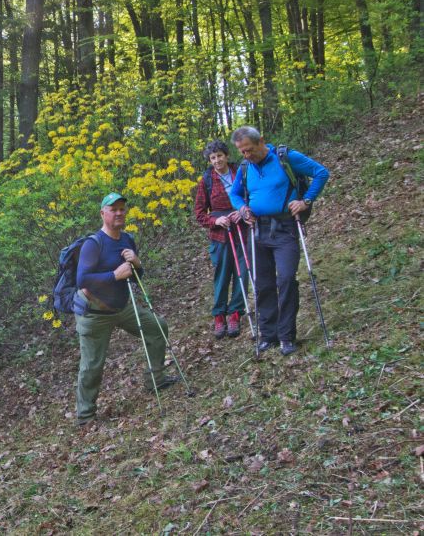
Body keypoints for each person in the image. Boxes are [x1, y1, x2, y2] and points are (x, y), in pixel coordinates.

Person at [73, 192, 180, 426]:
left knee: (157, 328)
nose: (119, 213)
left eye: (122, 208)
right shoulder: (93, 244)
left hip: (123, 307)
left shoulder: (127, 240)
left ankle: (156, 379)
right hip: (95, 313)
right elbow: (82, 279)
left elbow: (136, 275)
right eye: (114, 209)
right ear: (103, 213)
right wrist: (114, 275)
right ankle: (85, 416)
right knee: (92, 366)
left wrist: (138, 263)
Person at [228, 126, 330, 356]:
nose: (246, 156)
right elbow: (234, 194)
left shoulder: (285, 157)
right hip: (257, 230)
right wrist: (243, 208)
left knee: (285, 279)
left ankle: (286, 336)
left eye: (250, 150)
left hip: (285, 229)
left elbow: (321, 172)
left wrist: (306, 200)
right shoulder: (245, 168)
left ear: (261, 141)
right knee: (262, 284)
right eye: (242, 152)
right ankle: (268, 335)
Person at [193, 140, 247, 339]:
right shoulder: (207, 180)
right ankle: (219, 315)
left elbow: (250, 197)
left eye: (220, 156)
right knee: (222, 274)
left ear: (226, 155)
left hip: (243, 228)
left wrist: (242, 212)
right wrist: (216, 220)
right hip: (220, 234)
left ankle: (235, 313)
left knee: (243, 272)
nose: (217, 161)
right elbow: (199, 213)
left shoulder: (240, 172)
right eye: (213, 158)